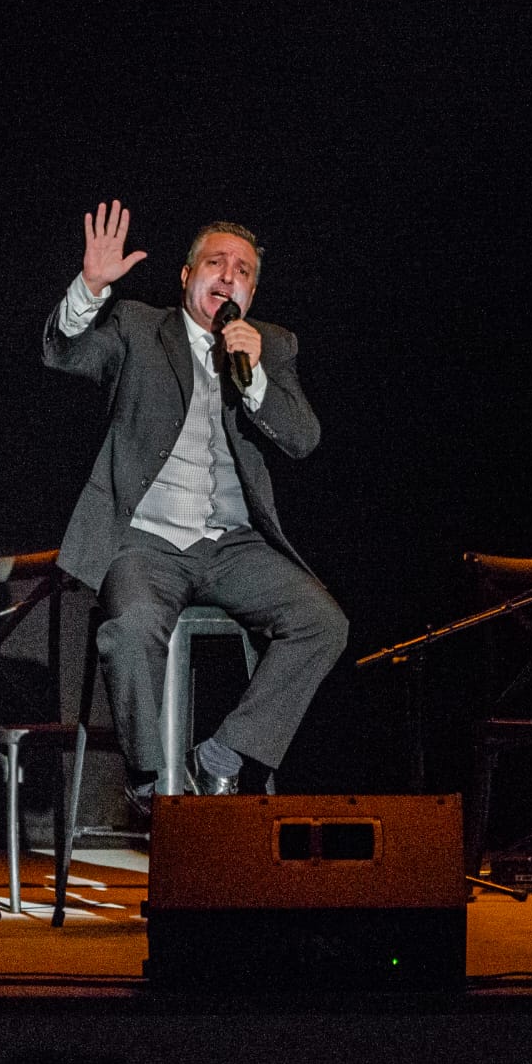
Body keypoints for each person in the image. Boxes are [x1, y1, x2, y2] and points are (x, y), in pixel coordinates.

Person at [44, 200, 346, 804]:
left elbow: (303, 439)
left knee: (322, 622)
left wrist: (254, 377)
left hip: (233, 545)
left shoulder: (271, 346)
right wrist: (89, 290)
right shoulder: (136, 327)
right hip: (146, 543)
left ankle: (222, 756)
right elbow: (66, 354)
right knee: (129, 631)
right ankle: (153, 781)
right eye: (216, 263)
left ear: (252, 292)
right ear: (187, 277)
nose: (228, 276)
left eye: (242, 271)